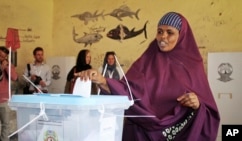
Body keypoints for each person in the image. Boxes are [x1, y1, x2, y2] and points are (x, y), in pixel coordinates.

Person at [76, 12, 220, 141]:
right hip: (142, 133)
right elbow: (128, 89)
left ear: (181, 35)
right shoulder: (147, 60)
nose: (163, 36)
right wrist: (102, 80)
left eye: (170, 32)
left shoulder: (192, 66)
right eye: (159, 31)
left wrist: (198, 104)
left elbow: (209, 112)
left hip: (179, 134)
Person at [0, 46, 18, 141]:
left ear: (6, 57)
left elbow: (15, 77)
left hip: (4, 99)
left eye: (3, 57)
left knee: (5, 123)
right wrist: (0, 69)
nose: (0, 58)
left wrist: (7, 67)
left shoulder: (8, 65)